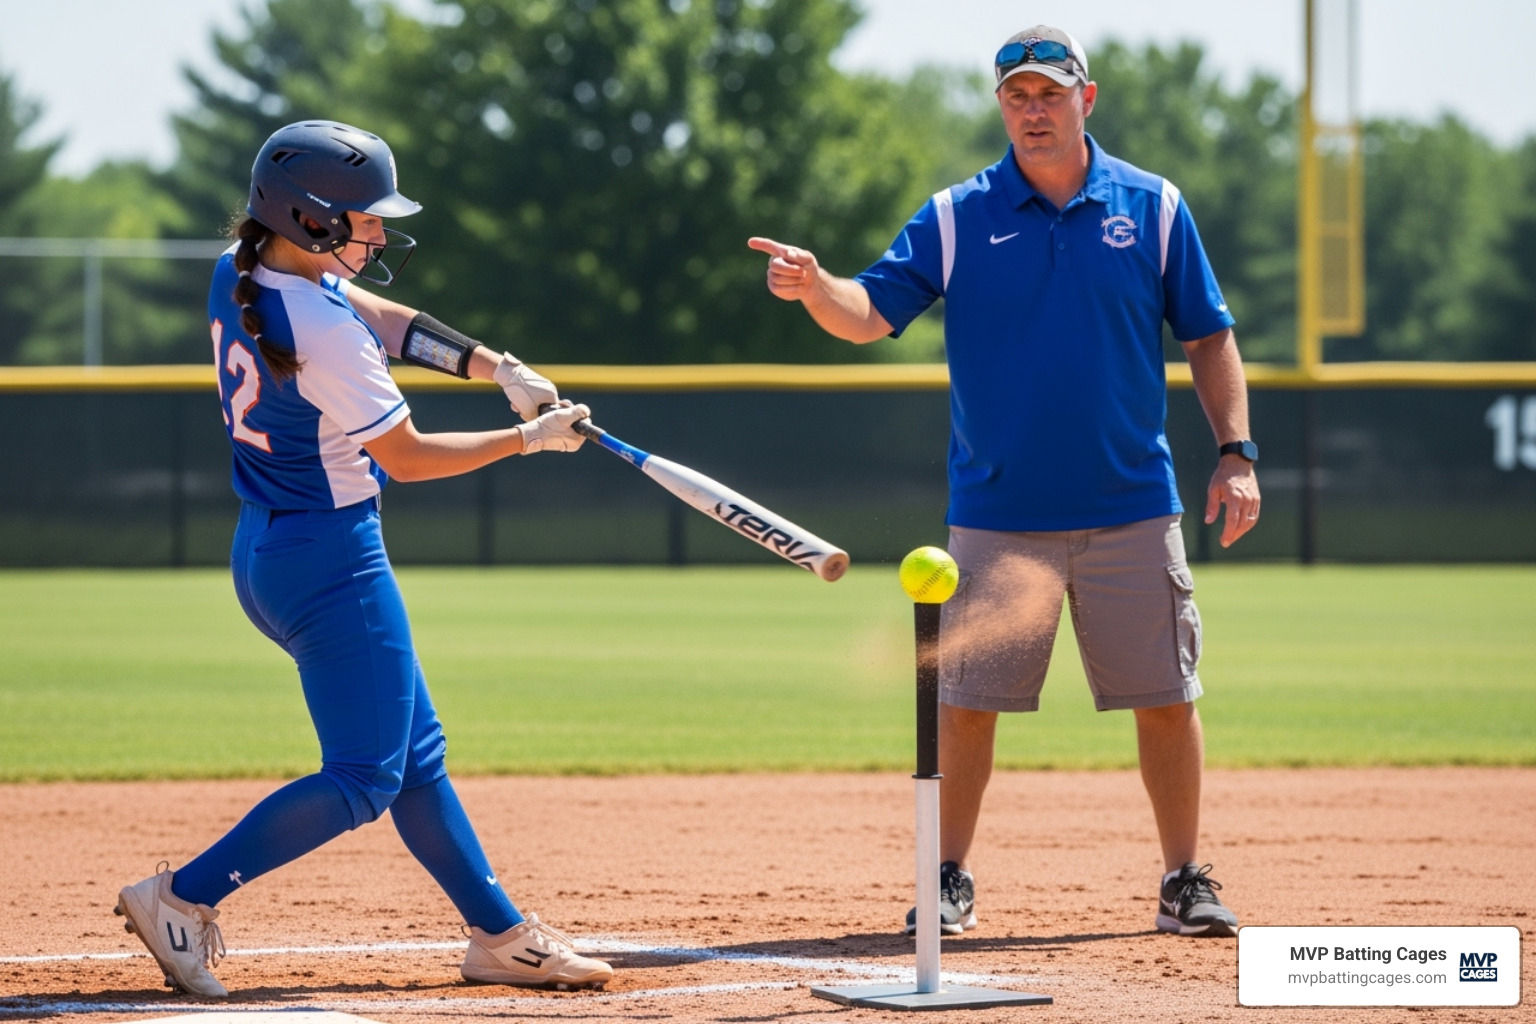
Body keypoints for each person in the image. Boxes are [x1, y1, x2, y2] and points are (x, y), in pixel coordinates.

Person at [748, 26, 1259, 939]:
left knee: (1166, 698)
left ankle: (1183, 877)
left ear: (1086, 99)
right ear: (1000, 106)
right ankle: (947, 877)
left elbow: (1209, 333)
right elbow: (870, 313)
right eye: (1017, 95)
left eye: (1049, 93)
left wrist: (1237, 452)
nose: (1033, 109)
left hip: (1132, 503)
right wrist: (819, 285)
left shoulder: (1154, 206)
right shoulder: (955, 214)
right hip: (997, 513)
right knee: (968, 705)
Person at [114, 120, 613, 996]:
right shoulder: (321, 326)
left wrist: (495, 365)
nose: (379, 232)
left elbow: (380, 316)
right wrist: (528, 437)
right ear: (309, 219)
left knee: (412, 756)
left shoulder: (244, 274)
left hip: (271, 549)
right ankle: (181, 898)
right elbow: (408, 457)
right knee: (362, 777)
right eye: (363, 217)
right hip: (332, 559)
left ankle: (499, 937)